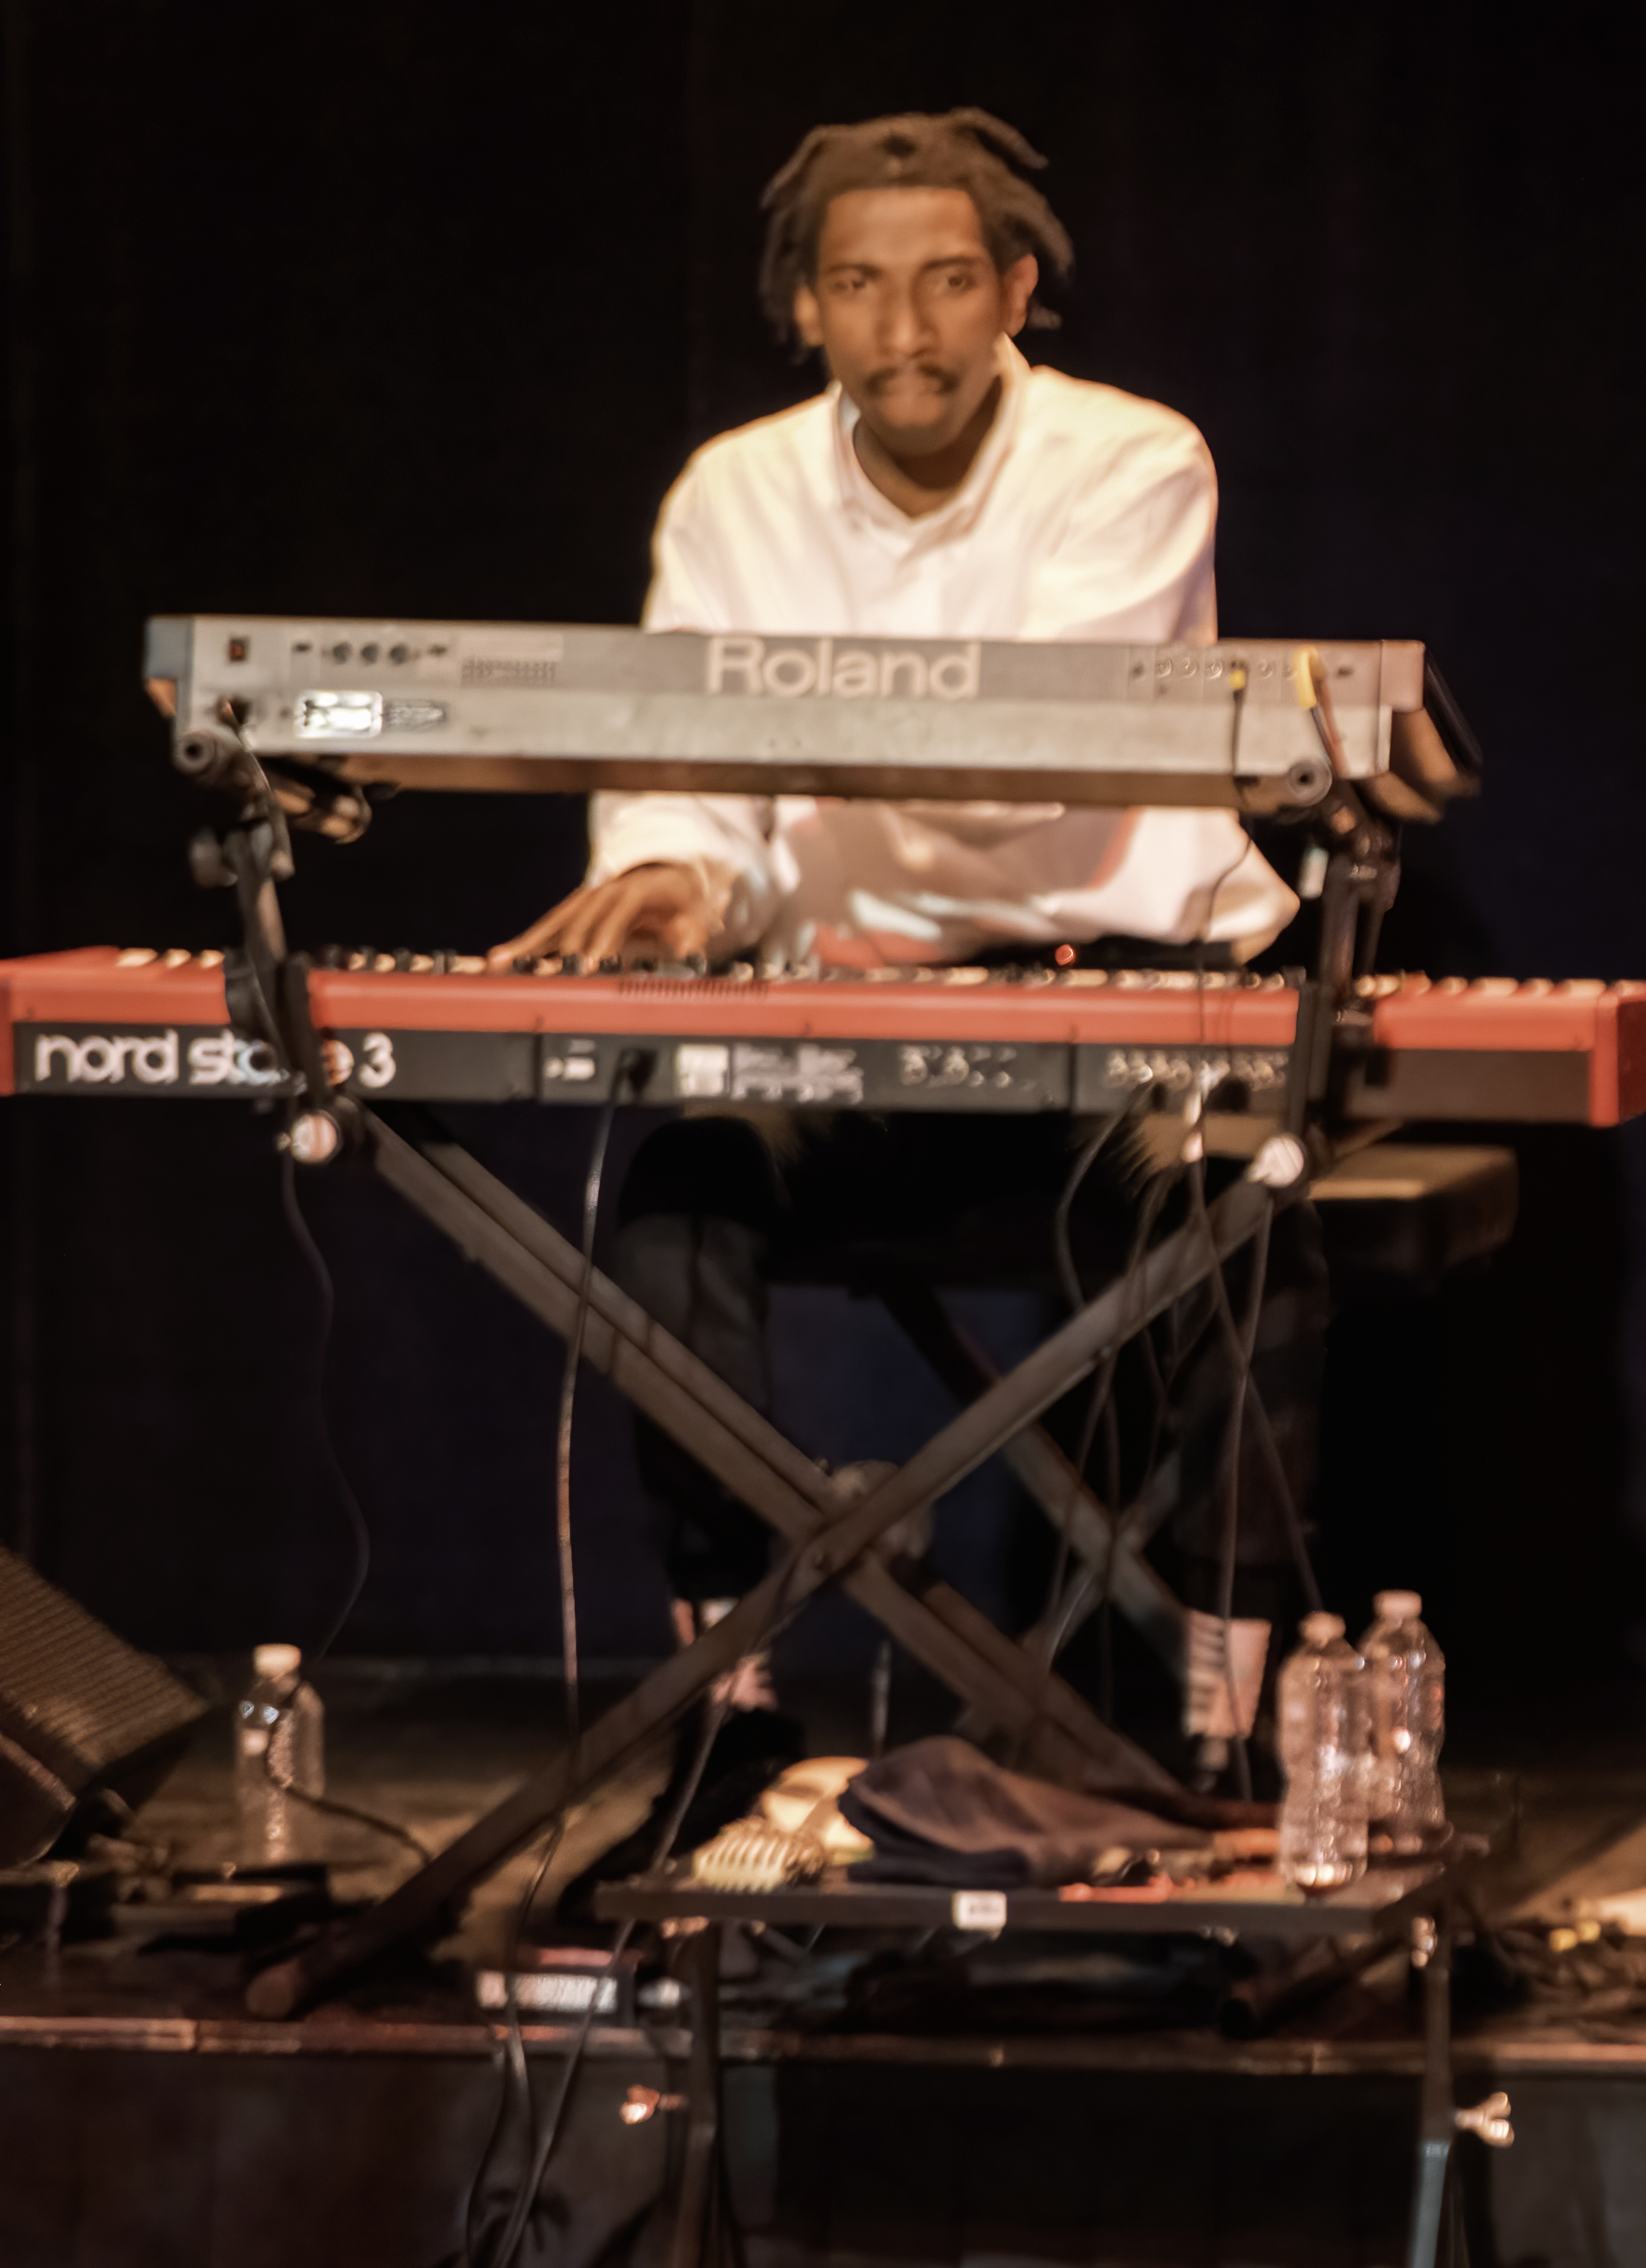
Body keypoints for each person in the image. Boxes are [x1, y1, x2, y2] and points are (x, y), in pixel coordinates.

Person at [490, 111, 1313, 1836]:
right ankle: (728, 1705)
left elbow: (1030, 748)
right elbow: (684, 778)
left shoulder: (1134, 459)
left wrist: (752, 746)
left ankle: (1228, 1730)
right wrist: (669, 873)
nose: (906, 328)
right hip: (851, 1039)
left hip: (1126, 1021)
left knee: (1255, 1224)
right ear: (806, 305)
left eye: (948, 282)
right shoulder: (734, 489)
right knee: (678, 1201)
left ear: (1015, 290)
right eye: (859, 286)